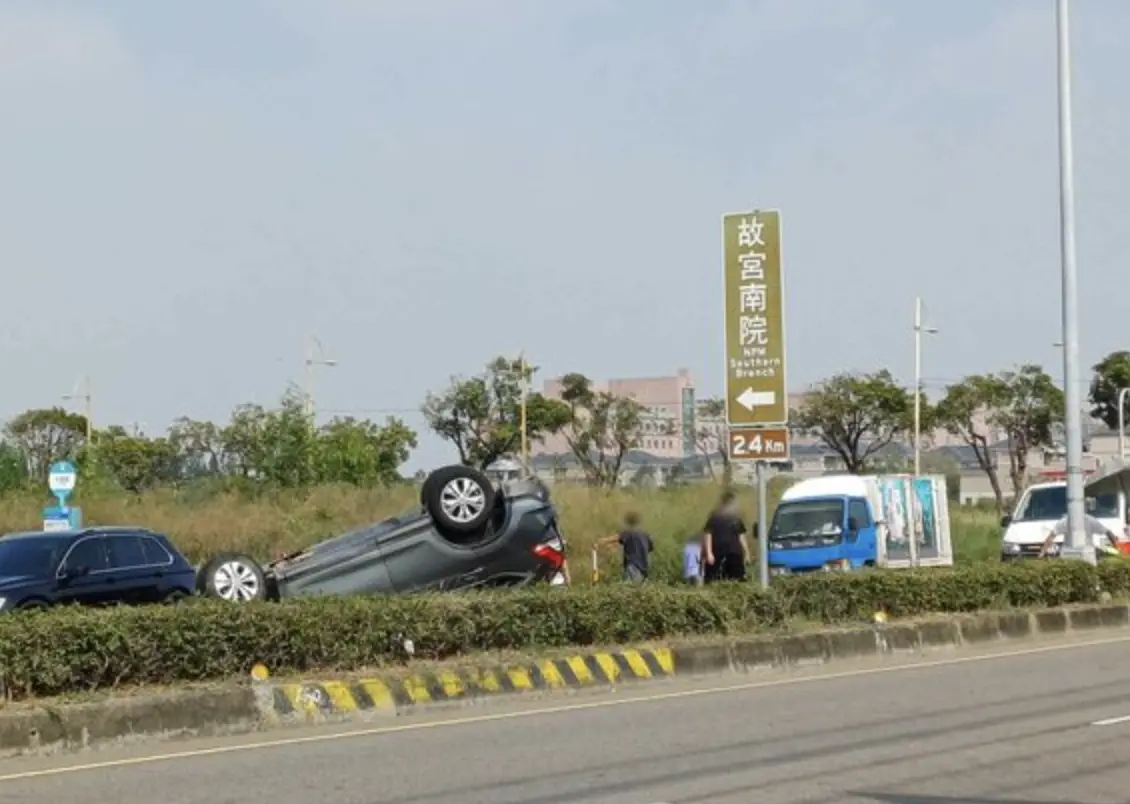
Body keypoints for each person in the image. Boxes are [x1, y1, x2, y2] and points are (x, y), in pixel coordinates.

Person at [702, 489, 750, 583]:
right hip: (717, 553)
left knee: (737, 580)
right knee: (714, 579)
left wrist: (746, 553)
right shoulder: (715, 517)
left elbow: (741, 537)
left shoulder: (736, 519)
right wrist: (709, 553)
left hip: (734, 553)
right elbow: (707, 534)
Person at [1038, 504, 1121, 558]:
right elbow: (1108, 532)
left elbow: (1051, 537)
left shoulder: (1065, 521)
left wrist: (1041, 554)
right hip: (1086, 556)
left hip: (1070, 556)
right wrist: (1118, 550)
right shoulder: (1090, 520)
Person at [599, 511, 654, 581]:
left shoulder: (629, 532)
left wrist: (601, 541)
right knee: (639, 588)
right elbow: (649, 550)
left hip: (633, 565)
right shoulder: (645, 535)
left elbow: (617, 538)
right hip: (643, 567)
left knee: (631, 587)